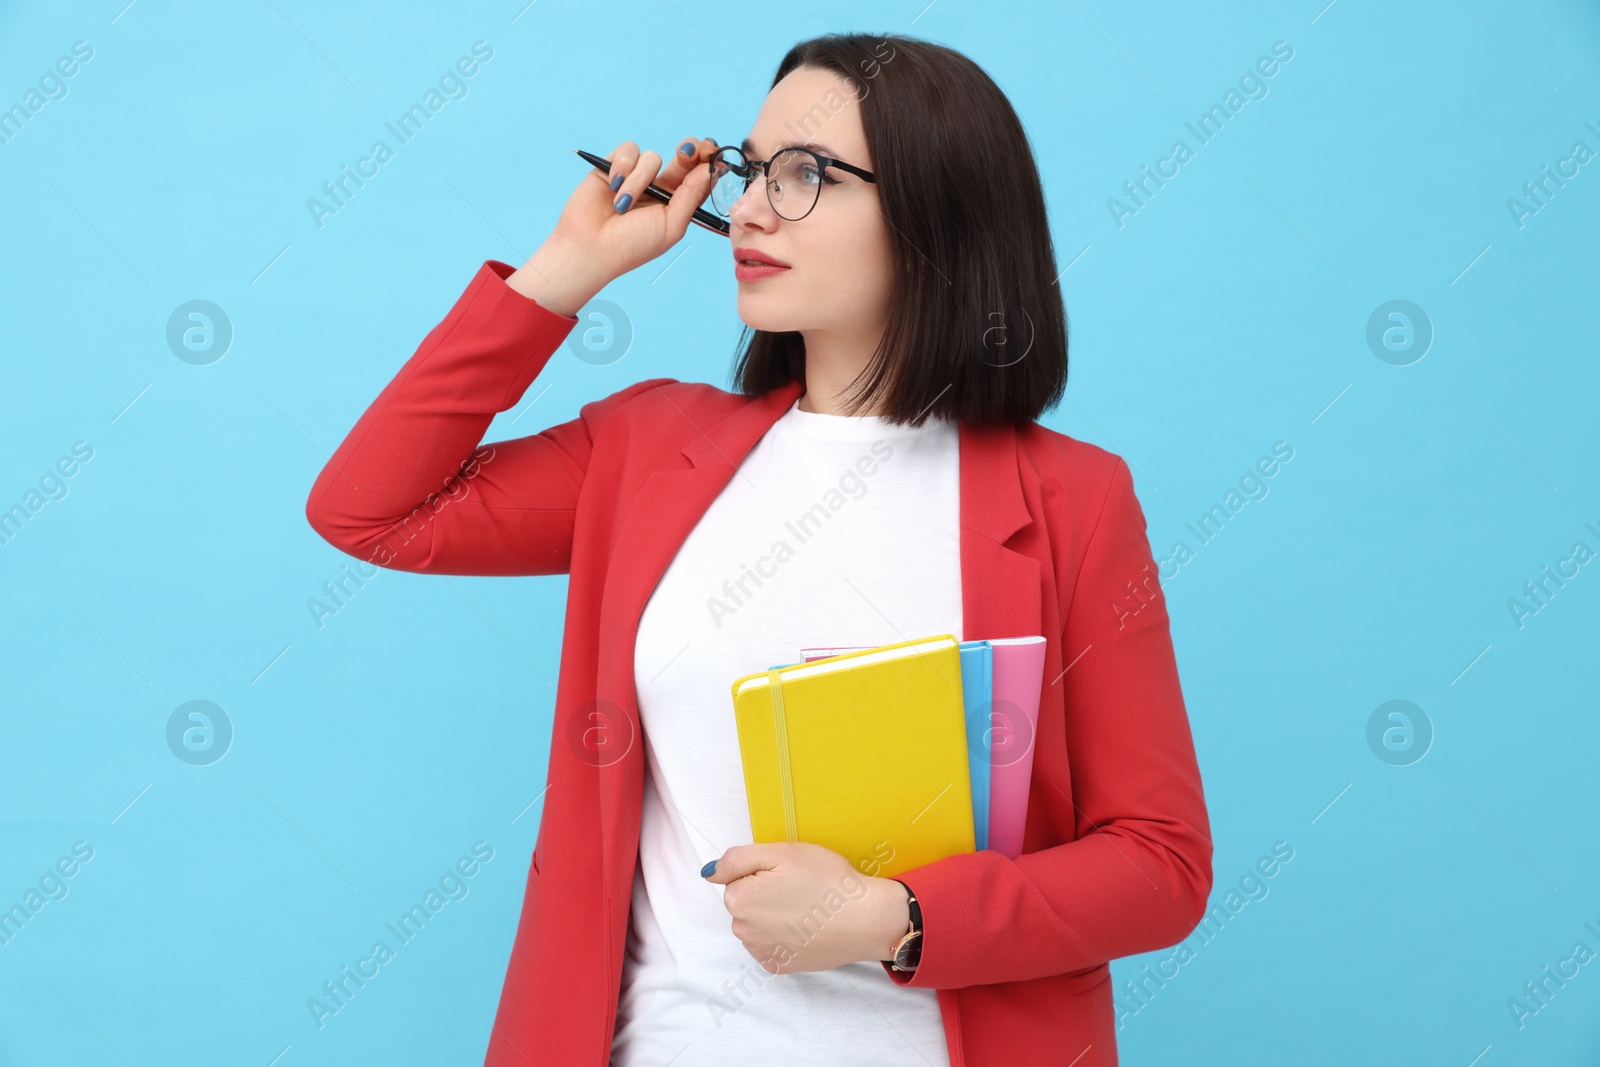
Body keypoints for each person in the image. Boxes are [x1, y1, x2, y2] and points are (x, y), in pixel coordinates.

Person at [304, 31, 1212, 1067]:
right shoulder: (649, 448)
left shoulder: (1073, 499)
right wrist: (561, 276)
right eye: (750, 170)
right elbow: (371, 510)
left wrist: (895, 914)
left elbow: (1160, 863)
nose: (745, 209)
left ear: (933, 214)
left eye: (804, 175)